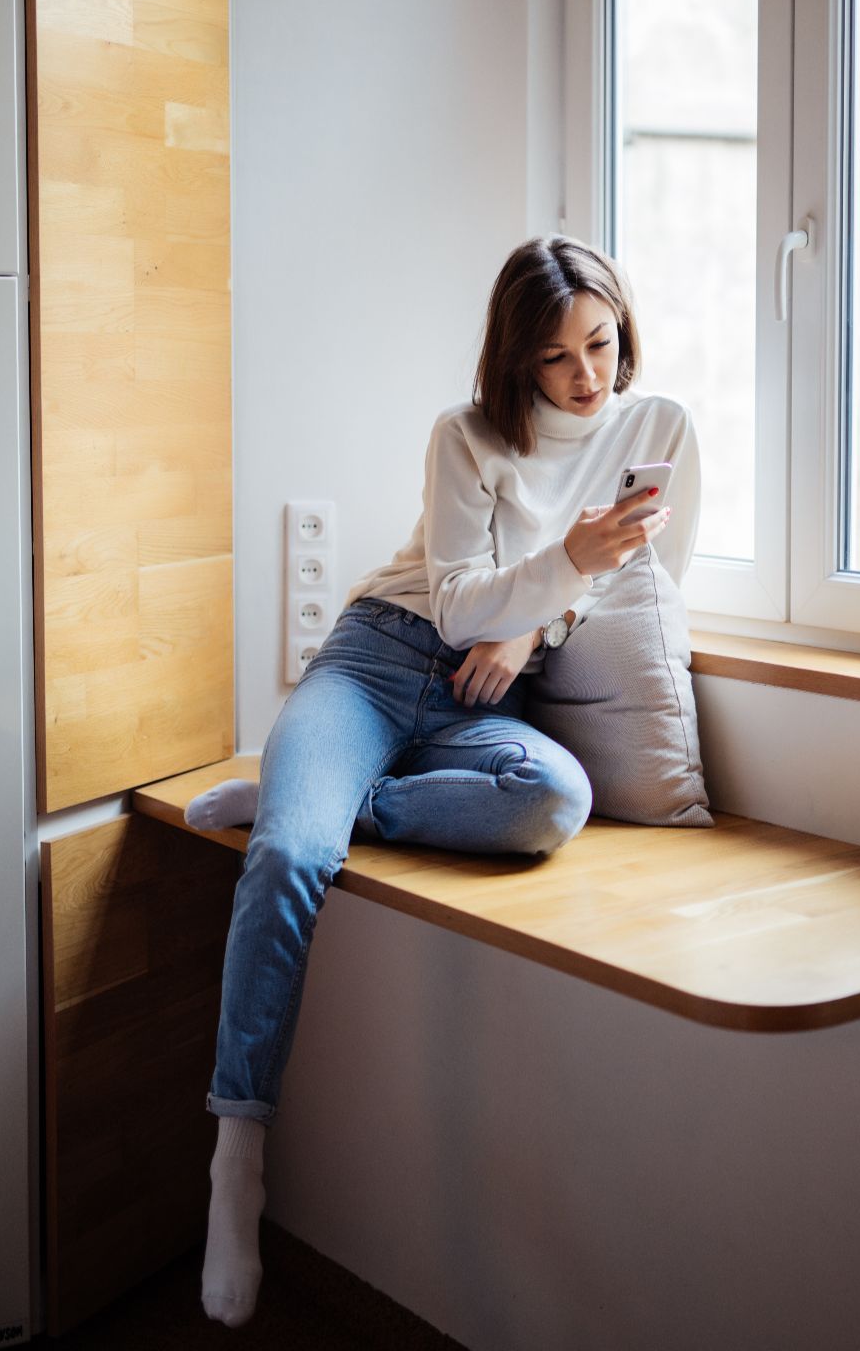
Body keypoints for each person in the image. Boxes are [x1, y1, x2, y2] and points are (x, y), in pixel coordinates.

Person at [198, 235, 699, 1326]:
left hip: (485, 697)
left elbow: (642, 581)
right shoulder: (464, 436)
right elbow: (460, 600)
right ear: (514, 360)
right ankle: (236, 1161)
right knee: (287, 860)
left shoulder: (654, 429)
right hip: (381, 658)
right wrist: (543, 587)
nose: (585, 376)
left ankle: (325, 802)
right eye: (555, 356)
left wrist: (538, 629)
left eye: (601, 345)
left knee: (550, 801)